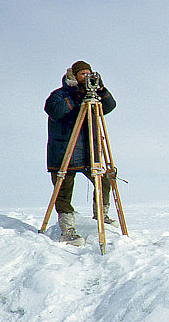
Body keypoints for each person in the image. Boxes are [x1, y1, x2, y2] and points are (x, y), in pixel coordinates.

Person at [45, 60, 118, 246]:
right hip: (64, 152)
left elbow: (109, 106)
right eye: (83, 74)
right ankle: (68, 229)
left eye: (89, 74)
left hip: (88, 153)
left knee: (104, 180)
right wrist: (76, 98)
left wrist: (100, 90)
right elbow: (54, 110)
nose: (86, 78)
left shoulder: (92, 96)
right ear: (74, 76)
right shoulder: (60, 95)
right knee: (63, 191)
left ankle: (101, 216)